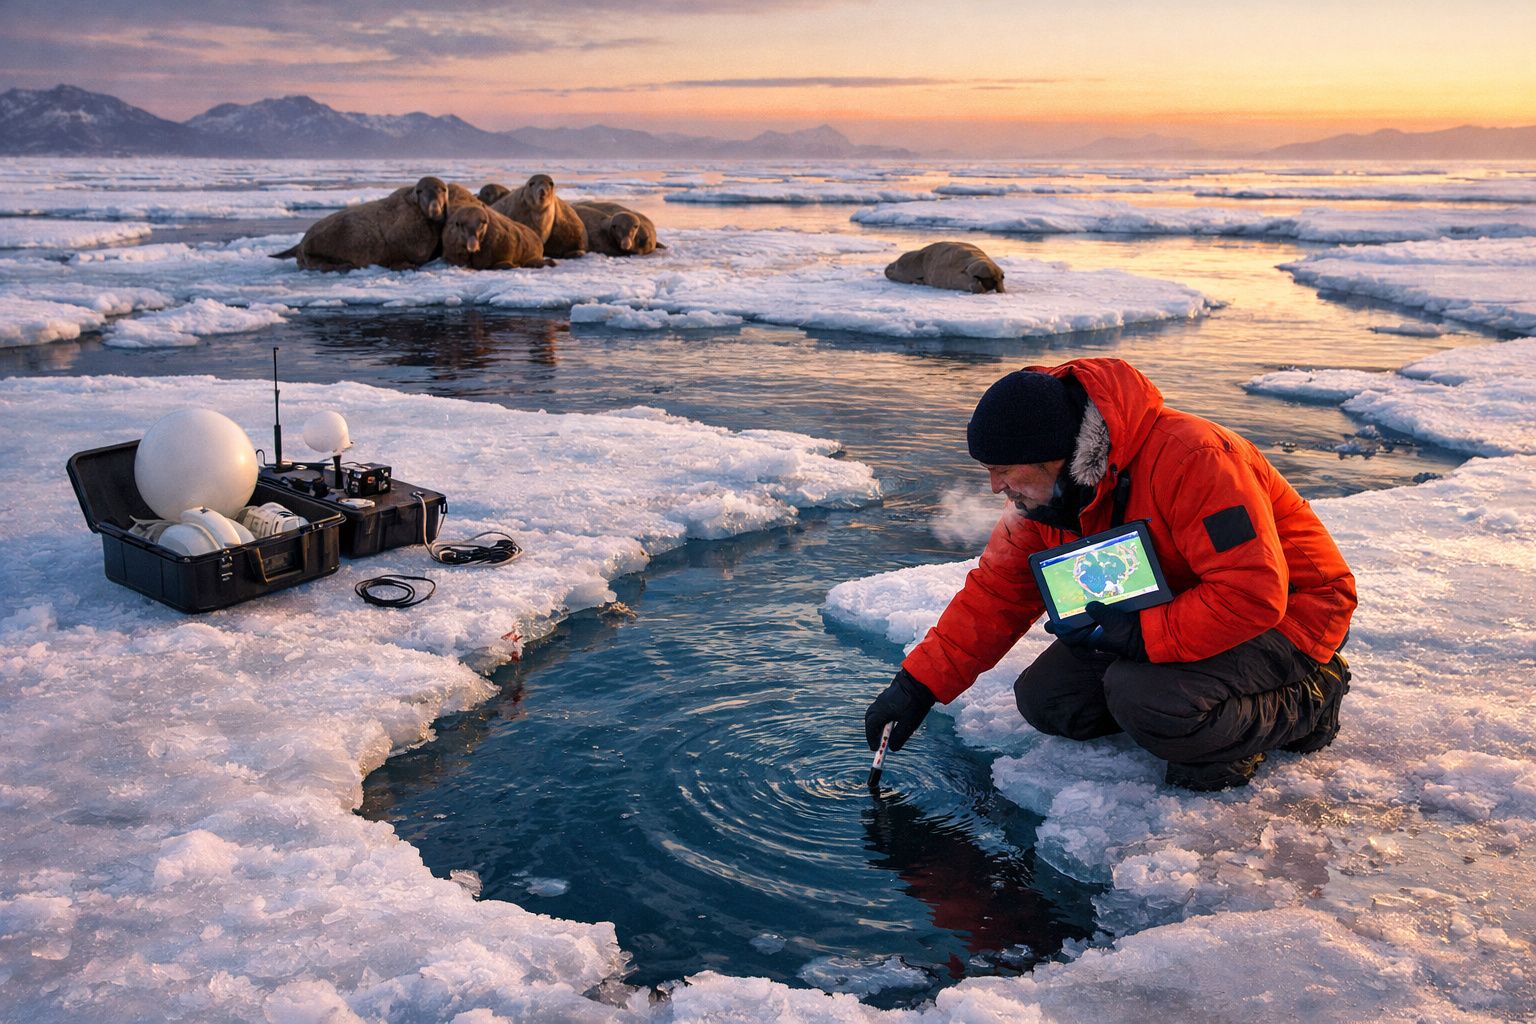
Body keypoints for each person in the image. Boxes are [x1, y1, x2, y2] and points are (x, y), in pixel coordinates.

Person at [864, 358, 1356, 790]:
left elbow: (1251, 592)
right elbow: (998, 593)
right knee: (1048, 701)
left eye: (1004, 470)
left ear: (1053, 457)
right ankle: (1187, 709)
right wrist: (916, 687)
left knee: (1148, 699)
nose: (995, 487)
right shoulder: (1048, 497)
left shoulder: (1196, 458)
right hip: (1168, 605)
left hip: (1293, 612)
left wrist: (1143, 636)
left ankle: (1311, 699)